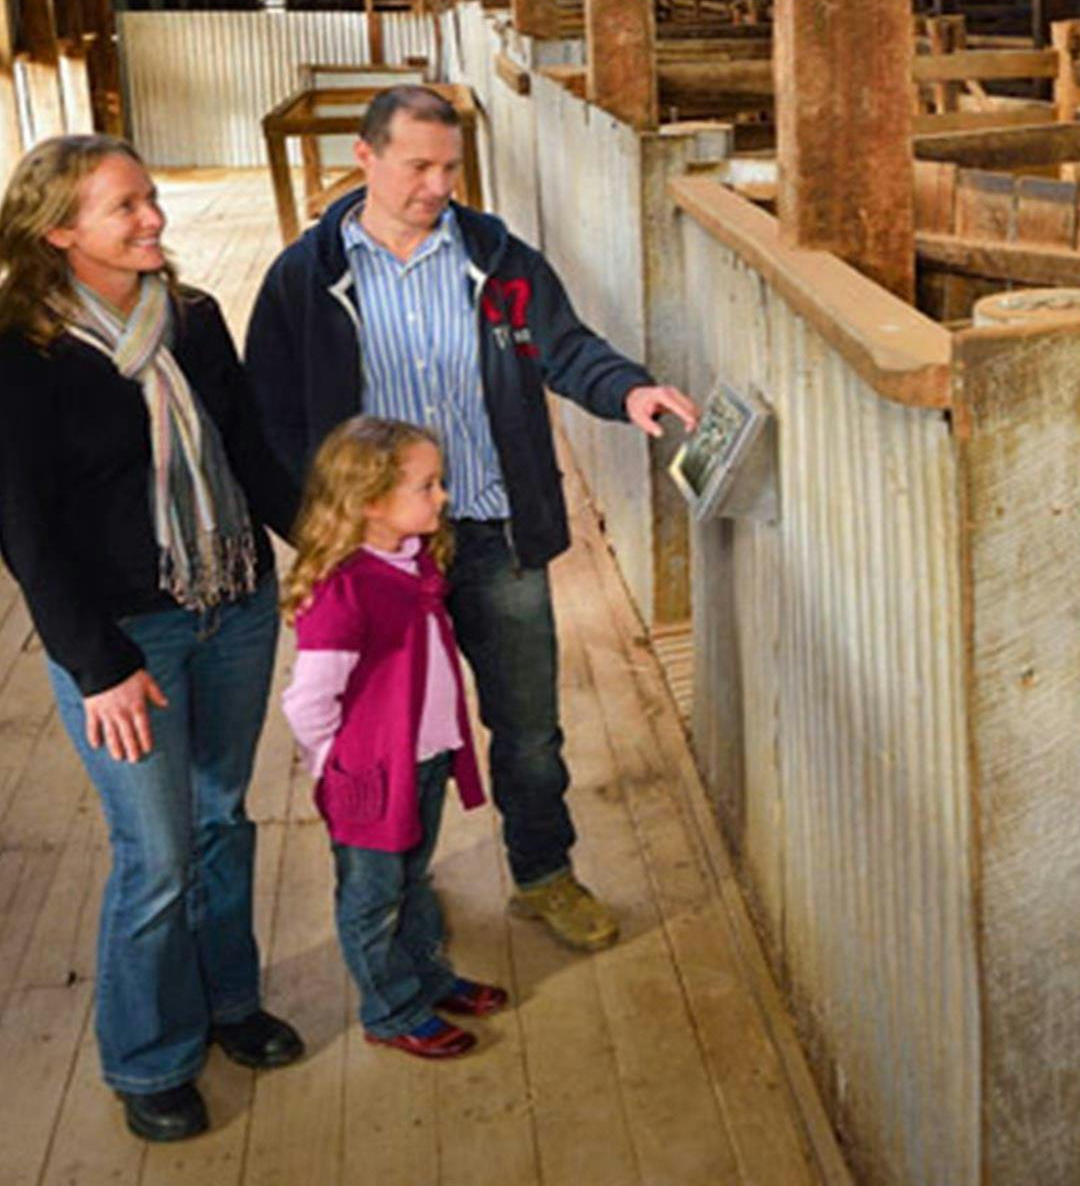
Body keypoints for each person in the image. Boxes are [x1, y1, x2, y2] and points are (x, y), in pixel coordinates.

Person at [245, 86, 697, 952]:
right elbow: (263, 415)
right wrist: (321, 538)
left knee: (527, 729)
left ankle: (543, 874)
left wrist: (629, 388)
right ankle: (400, 895)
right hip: (377, 555)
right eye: (417, 165)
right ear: (365, 158)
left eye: (449, 166)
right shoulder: (306, 278)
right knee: (390, 739)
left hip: (491, 527)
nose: (436, 184)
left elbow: (566, 349)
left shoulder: (494, 255)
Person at [0, 136, 305, 1143]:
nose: (152, 221)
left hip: (232, 603)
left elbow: (249, 454)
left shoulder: (193, 318)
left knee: (221, 817)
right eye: (124, 208)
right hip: (126, 635)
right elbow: (25, 530)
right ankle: (148, 1056)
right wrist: (99, 666)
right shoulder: (19, 350)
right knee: (158, 853)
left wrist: (331, 546)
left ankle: (228, 1003)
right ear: (58, 231)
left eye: (151, 200)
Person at [280, 417, 508, 1059]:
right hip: (372, 775)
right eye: (427, 486)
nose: (441, 498)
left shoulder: (409, 559)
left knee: (412, 878)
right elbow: (308, 700)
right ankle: (391, 1009)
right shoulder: (345, 590)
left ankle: (429, 979)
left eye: (439, 484)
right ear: (370, 502)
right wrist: (335, 763)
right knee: (373, 897)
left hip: (422, 758)